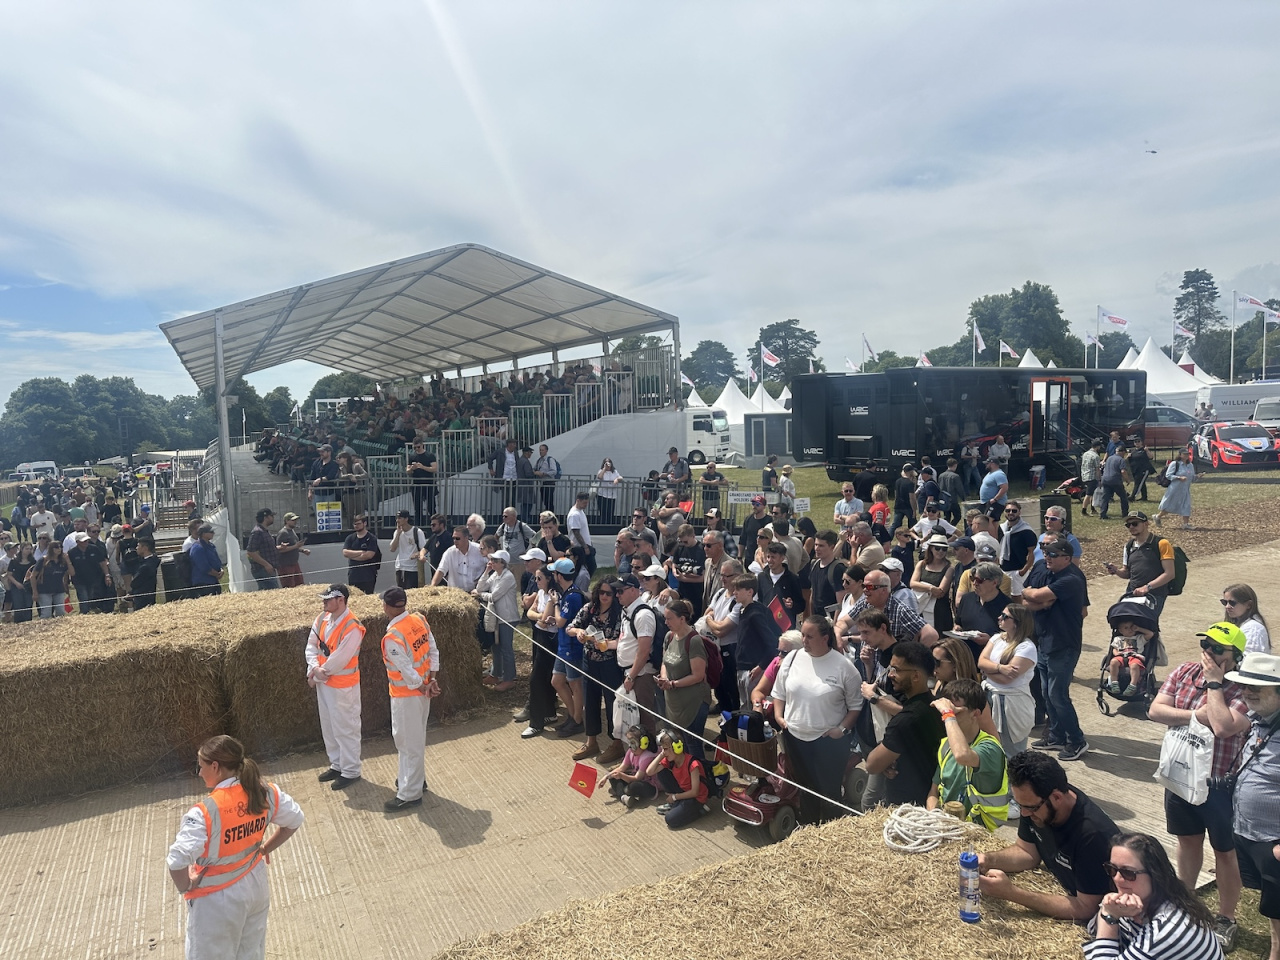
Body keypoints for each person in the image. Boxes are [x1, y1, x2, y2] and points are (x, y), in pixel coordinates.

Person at [1149, 621, 1252, 952]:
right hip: (1181, 776)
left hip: (1220, 784)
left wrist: (1214, 684)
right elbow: (1155, 711)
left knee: (1225, 851)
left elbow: (1223, 726)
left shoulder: (1244, 687)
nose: (1208, 651)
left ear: (1235, 656)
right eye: (1205, 644)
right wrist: (1195, 715)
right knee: (1187, 841)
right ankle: (1187, 902)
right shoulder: (1184, 671)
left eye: (1217, 648)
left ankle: (1226, 917)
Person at [167, 735, 304, 960]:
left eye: (200, 767)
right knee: (250, 953)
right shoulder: (265, 792)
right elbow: (295, 819)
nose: (199, 773)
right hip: (255, 886)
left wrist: (187, 886)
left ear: (215, 767)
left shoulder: (204, 812)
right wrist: (264, 849)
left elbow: (176, 860)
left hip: (216, 901)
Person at [977, 750, 1118, 921]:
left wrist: (1011, 893)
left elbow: (1086, 909)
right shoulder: (1035, 802)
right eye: (1020, 805)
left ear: (1057, 797)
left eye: (1030, 807)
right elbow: (1027, 853)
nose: (1024, 813)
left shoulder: (1092, 836)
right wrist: (988, 860)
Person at [772, 615, 862, 823]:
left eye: (809, 636)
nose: (804, 640)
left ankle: (832, 830)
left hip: (828, 742)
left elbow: (856, 706)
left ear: (825, 638)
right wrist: (778, 716)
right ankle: (808, 828)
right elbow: (779, 692)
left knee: (829, 792)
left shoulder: (845, 667)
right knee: (805, 788)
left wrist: (841, 729)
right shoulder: (792, 658)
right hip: (794, 738)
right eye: (802, 635)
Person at [1082, 833, 1224, 960]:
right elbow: (1094, 932)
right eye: (1112, 869)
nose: (1117, 879)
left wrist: (1109, 916)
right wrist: (1109, 910)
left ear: (1154, 874)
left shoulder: (1165, 928)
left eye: (1128, 872)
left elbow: (1102, 940)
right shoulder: (1138, 899)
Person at [1223, 650, 1280, 960]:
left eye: (1256, 687)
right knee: (1273, 905)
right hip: (1250, 832)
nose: (1247, 692)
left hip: (1274, 840)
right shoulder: (1261, 721)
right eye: (1244, 685)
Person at [1021, 536, 1090, 761]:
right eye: (1046, 552)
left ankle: (1077, 740)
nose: (1047, 557)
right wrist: (1040, 601)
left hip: (1064, 644)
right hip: (1044, 641)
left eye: (1053, 554)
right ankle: (1056, 736)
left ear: (1067, 558)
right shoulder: (1045, 570)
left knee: (1057, 695)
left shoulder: (1071, 579)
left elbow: (1035, 594)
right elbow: (1025, 596)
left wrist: (1036, 597)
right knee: (1046, 693)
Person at [379, 587, 439, 810]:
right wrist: (432, 681)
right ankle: (414, 780)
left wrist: (424, 686)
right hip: (423, 692)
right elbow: (433, 651)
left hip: (407, 696)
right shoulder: (419, 619)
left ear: (386, 606)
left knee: (407, 743)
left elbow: (406, 670)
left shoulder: (392, 637)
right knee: (415, 740)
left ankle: (410, 794)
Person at [865, 640, 946, 806]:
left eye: (896, 670)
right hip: (932, 799)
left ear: (916, 676)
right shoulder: (935, 705)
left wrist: (885, 762)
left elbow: (872, 765)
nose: (890, 675)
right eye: (890, 668)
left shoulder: (905, 721)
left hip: (908, 807)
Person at [926, 679, 1010, 831]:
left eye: (956, 711)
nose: (946, 717)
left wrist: (948, 714)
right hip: (948, 828)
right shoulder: (946, 745)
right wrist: (934, 817)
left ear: (975, 713)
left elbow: (962, 756)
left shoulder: (990, 748)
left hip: (980, 833)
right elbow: (934, 791)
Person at [306, 584, 364, 789]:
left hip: (343, 687)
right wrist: (314, 668)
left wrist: (316, 676)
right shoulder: (321, 618)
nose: (324, 602)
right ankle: (337, 765)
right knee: (329, 726)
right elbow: (311, 646)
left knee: (346, 728)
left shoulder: (353, 626)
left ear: (341, 600)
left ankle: (351, 770)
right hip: (326, 683)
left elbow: (340, 659)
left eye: (328, 599)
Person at [566, 577, 626, 763]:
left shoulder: (620, 613)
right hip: (589, 661)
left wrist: (606, 643)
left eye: (609, 593)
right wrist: (579, 632)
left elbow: (623, 640)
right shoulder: (590, 608)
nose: (604, 596)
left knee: (612, 704)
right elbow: (570, 627)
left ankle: (616, 743)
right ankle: (591, 741)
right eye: (601, 592)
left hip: (610, 663)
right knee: (590, 701)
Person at [978, 603, 1039, 756]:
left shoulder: (1027, 647)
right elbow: (981, 662)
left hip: (1011, 703)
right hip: (989, 695)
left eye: (1005, 616)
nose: (1000, 618)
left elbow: (1006, 680)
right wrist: (1000, 668)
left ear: (1017, 623)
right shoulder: (996, 638)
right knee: (989, 746)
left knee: (1011, 751)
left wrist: (987, 671)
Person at [657, 599, 711, 762]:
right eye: (665, 618)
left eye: (669, 618)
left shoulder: (694, 641)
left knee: (693, 746)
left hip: (693, 703)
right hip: (675, 703)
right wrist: (664, 678)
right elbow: (664, 662)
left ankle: (701, 775)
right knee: (679, 744)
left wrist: (673, 684)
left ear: (682, 619)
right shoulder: (669, 636)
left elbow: (698, 675)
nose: (666, 622)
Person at [1104, 511, 1175, 619]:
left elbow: (1169, 573)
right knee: (1127, 624)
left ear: (1146, 524)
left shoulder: (1162, 543)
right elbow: (1127, 573)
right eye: (1128, 525)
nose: (1131, 527)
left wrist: (1147, 587)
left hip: (1154, 594)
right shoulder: (1129, 546)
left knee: (1147, 625)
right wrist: (1116, 571)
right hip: (1132, 593)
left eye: (1135, 524)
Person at [732, 574, 781, 711]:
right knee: (744, 707)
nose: (734, 592)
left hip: (752, 670)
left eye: (738, 589)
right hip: (742, 667)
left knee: (752, 710)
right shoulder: (743, 611)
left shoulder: (756, 614)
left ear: (750, 592)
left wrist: (760, 666)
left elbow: (772, 643)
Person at [643, 730, 710, 830]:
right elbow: (649, 771)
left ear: (677, 747)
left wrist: (675, 797)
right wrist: (661, 755)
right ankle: (678, 804)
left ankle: (700, 810)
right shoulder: (670, 760)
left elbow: (695, 792)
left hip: (696, 798)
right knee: (661, 771)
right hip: (683, 791)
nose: (664, 752)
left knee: (670, 819)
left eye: (666, 749)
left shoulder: (693, 764)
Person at [551, 558, 587, 737]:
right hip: (563, 645)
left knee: (575, 683)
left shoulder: (572, 596)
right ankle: (573, 716)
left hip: (572, 647)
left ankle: (577, 720)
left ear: (559, 576)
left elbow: (560, 622)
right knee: (557, 681)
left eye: (554, 573)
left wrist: (555, 604)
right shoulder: (569, 593)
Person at [476, 550, 519, 691]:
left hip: (507, 618)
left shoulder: (508, 577)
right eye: (491, 560)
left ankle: (509, 678)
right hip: (496, 616)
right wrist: (486, 571)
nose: (492, 562)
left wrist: (480, 595)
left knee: (506, 648)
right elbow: (480, 587)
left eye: (495, 561)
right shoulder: (495, 575)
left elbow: (494, 596)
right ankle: (496, 674)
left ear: (503, 563)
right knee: (496, 646)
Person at [603, 726, 660, 807]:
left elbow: (637, 778)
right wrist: (606, 777)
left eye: (633, 742)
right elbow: (621, 768)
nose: (630, 746)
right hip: (635, 777)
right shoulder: (630, 752)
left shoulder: (647, 757)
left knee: (633, 787)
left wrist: (621, 776)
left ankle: (620, 790)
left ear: (643, 743)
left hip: (649, 785)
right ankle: (623, 796)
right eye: (629, 742)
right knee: (612, 775)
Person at [910, 535, 954, 631]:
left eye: (944, 549)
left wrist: (921, 586)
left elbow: (940, 592)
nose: (940, 551)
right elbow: (912, 583)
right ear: (931, 548)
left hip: (939, 611)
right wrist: (930, 589)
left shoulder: (949, 568)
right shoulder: (921, 564)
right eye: (937, 548)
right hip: (921, 608)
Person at [1105, 615, 1156, 697]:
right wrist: (1116, 653)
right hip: (1121, 656)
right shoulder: (1118, 639)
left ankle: (1132, 685)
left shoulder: (1139, 638)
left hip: (1134, 656)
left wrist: (1139, 629)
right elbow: (1114, 649)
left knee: (1134, 665)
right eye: (1126, 628)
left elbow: (1150, 634)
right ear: (1120, 630)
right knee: (1113, 662)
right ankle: (1114, 682)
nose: (1130, 629)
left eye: (1131, 627)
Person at [430, 525, 486, 592]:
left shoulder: (479, 550)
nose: (455, 541)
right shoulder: (450, 552)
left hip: (476, 593)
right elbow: (441, 570)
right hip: (456, 594)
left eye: (457, 538)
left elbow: (490, 565)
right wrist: (432, 587)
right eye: (453, 538)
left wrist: (481, 580)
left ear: (466, 538)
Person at [999, 500, 1037, 598]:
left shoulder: (1026, 531)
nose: (1010, 513)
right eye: (1008, 510)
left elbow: (1032, 553)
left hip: (1018, 572)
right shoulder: (1001, 529)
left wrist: (1022, 572)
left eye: (1014, 511)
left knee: (1018, 600)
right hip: (1002, 570)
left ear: (1019, 512)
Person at [1222, 583, 1271, 654]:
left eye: (1232, 603)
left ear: (1249, 605)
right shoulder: (1238, 622)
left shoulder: (1253, 629)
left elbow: (1250, 658)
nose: (1227, 606)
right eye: (1224, 602)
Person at [1156, 448, 1196, 530]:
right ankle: (1158, 516)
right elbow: (1168, 475)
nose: (1186, 456)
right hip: (1175, 489)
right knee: (1170, 506)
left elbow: (1192, 477)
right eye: (1184, 454)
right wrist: (1179, 477)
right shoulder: (1175, 464)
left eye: (1187, 454)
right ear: (1180, 455)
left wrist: (1198, 477)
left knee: (1186, 505)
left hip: (1185, 489)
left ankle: (1185, 524)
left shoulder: (1190, 465)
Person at [341, 514, 381, 595]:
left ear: (365, 523)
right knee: (354, 597)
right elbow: (345, 553)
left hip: (368, 575)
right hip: (354, 575)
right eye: (355, 524)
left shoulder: (371, 538)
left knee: (368, 596)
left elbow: (369, 555)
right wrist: (361, 552)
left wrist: (352, 556)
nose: (356, 526)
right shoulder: (350, 538)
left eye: (359, 524)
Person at [33, 539, 71, 618]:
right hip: (44, 590)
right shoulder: (43, 560)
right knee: (46, 613)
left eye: (60, 547)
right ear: (51, 549)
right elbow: (32, 576)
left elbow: (72, 573)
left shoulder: (63, 561)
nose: (59, 549)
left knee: (61, 612)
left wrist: (68, 560)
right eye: (56, 547)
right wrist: (35, 591)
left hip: (59, 589)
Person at [389, 510, 426, 590]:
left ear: (406, 519)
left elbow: (424, 549)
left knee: (411, 593)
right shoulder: (397, 532)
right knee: (400, 592)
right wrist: (398, 534)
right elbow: (392, 549)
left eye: (400, 518)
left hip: (413, 568)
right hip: (400, 567)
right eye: (397, 518)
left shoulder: (417, 531)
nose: (397, 520)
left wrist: (416, 554)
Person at [246, 508, 280, 590]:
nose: (273, 518)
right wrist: (266, 565)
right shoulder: (257, 532)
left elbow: (265, 548)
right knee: (273, 594)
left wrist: (280, 547)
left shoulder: (263, 531)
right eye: (271, 516)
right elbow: (251, 552)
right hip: (263, 570)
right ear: (266, 517)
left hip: (267, 569)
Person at [406, 439, 438, 524]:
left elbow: (434, 469)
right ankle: (419, 525)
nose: (416, 449)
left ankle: (434, 524)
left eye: (418, 447)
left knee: (431, 507)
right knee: (417, 508)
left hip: (429, 484)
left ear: (422, 445)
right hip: (416, 484)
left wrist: (422, 467)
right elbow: (407, 470)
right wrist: (411, 469)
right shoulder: (412, 456)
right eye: (414, 447)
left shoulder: (430, 455)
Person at [189, 524, 224, 599]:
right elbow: (204, 567)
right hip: (203, 583)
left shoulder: (211, 546)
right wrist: (217, 574)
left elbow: (217, 560)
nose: (213, 533)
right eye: (211, 532)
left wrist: (221, 570)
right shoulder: (197, 548)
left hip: (214, 581)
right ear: (203, 534)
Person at [275, 512, 309, 587]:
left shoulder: (292, 531)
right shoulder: (283, 533)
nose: (295, 522)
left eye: (296, 520)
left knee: (300, 584)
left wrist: (302, 550)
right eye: (293, 520)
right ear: (287, 521)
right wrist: (296, 546)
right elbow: (280, 550)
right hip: (285, 565)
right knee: (289, 586)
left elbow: (294, 546)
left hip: (294, 563)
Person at [566, 491, 596, 575]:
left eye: (587, 503)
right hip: (579, 547)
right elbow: (576, 532)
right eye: (584, 503)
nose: (586, 505)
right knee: (589, 567)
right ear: (578, 501)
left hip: (585, 545)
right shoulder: (574, 514)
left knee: (591, 566)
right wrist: (585, 546)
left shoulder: (580, 511)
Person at [1099, 444, 1131, 520]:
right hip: (1115, 481)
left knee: (1105, 498)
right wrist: (1127, 480)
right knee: (1123, 497)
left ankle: (1103, 514)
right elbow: (1123, 471)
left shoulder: (1109, 458)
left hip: (1105, 480)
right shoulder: (1121, 460)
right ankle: (1125, 514)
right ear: (1123, 452)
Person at [6, 540, 35, 622]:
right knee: (18, 606)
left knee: (28, 605)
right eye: (26, 549)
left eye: (30, 549)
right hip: (16, 586)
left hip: (28, 587)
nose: (28, 550)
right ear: (21, 549)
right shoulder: (14, 561)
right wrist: (17, 583)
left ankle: (28, 622)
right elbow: (9, 575)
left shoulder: (33, 561)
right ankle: (18, 623)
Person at [130, 539, 160, 609]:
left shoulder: (145, 566)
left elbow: (135, 583)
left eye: (138, 546)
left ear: (145, 548)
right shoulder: (155, 560)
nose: (136, 548)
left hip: (143, 598)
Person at [595, 457, 623, 527]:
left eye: (609, 462)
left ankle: (609, 524)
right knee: (603, 511)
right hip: (602, 494)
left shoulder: (614, 471)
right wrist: (604, 469)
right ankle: (603, 525)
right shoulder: (601, 471)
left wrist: (617, 479)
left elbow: (621, 477)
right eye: (606, 463)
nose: (608, 464)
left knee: (610, 511)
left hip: (612, 495)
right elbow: (600, 477)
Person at [891, 464, 918, 534]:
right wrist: (914, 510)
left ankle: (889, 537)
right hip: (908, 506)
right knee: (913, 524)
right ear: (911, 472)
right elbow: (912, 498)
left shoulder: (898, 481)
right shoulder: (910, 483)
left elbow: (896, 494)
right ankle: (914, 538)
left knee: (895, 524)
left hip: (898, 505)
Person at [1080, 439, 1103, 517]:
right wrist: (1099, 479)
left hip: (1084, 475)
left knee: (1093, 493)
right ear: (1097, 447)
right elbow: (1097, 469)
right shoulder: (1095, 456)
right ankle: (1084, 510)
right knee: (1089, 494)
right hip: (1092, 476)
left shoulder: (1085, 454)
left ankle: (1093, 509)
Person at [1128, 438, 1155, 503]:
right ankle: (1144, 497)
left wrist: (1147, 451)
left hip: (1144, 470)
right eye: (1135, 442)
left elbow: (1151, 457)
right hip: (1135, 470)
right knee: (1142, 483)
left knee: (1138, 483)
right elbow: (1127, 460)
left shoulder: (1144, 450)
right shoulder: (1132, 451)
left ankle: (1133, 497)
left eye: (1138, 441)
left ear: (1141, 442)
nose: (1137, 443)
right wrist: (1128, 456)